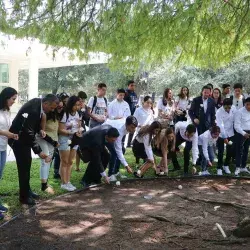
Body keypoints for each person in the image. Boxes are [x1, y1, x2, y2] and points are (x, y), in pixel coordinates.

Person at [9, 94, 59, 205]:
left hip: (24, 139)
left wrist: (40, 130)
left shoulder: (38, 104)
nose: (52, 110)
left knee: (27, 165)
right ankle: (24, 197)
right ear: (46, 103)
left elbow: (32, 127)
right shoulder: (34, 109)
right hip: (18, 139)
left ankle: (27, 191)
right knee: (24, 168)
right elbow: (28, 132)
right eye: (51, 108)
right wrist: (39, 151)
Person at [0, 87, 18, 219]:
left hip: (3, 147)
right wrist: (9, 134)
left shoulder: (7, 111)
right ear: (6, 97)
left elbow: (8, 127)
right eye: (13, 99)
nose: (14, 102)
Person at [58, 96, 82, 192]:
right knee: (64, 161)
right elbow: (60, 129)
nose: (77, 107)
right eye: (75, 105)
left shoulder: (78, 114)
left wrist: (79, 131)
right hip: (64, 139)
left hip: (75, 139)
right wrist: (71, 132)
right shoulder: (64, 114)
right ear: (71, 104)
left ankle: (68, 181)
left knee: (70, 161)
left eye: (78, 105)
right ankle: (64, 183)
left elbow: (79, 126)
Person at [106, 116, 137, 181]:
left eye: (134, 128)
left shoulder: (126, 126)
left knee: (122, 149)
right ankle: (110, 175)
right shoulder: (119, 130)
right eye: (132, 127)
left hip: (113, 133)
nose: (133, 130)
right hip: (106, 134)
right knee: (114, 153)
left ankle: (116, 172)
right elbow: (118, 150)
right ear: (126, 124)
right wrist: (127, 166)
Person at [36, 109, 60, 194]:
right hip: (43, 139)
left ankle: (45, 183)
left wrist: (55, 141)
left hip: (52, 140)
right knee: (45, 160)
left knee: (48, 161)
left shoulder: (57, 115)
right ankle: (43, 186)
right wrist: (54, 142)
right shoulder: (43, 114)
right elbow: (41, 132)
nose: (59, 108)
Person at [216, 98, 237, 176]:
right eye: (226, 108)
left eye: (229, 107)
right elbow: (220, 125)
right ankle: (219, 167)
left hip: (231, 132)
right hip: (221, 134)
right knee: (221, 151)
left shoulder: (234, 108)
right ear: (223, 106)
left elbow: (236, 119)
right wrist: (224, 137)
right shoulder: (219, 112)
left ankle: (226, 165)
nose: (228, 109)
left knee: (230, 150)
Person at [234, 97, 250, 175]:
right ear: (244, 104)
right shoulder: (239, 112)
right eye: (247, 105)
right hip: (241, 132)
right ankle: (237, 167)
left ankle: (243, 167)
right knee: (239, 150)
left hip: (249, 132)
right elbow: (236, 126)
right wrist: (244, 133)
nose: (249, 106)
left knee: (246, 150)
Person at [75, 91, 89, 171]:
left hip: (82, 128)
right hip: (73, 127)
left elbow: (87, 119)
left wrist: (84, 109)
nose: (82, 101)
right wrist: (80, 109)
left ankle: (77, 166)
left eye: (83, 100)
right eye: (81, 99)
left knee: (79, 147)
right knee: (73, 147)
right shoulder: (74, 105)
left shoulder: (84, 106)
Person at [124, 80, 138, 147]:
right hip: (126, 114)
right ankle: (122, 142)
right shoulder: (126, 93)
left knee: (133, 128)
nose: (133, 87)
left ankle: (129, 143)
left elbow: (135, 103)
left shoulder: (135, 94)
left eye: (134, 85)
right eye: (131, 85)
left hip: (134, 114)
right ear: (128, 86)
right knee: (125, 128)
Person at [53, 99, 64, 179]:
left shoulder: (63, 114)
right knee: (53, 155)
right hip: (52, 137)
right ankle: (56, 172)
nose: (60, 109)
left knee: (58, 154)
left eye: (62, 107)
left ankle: (57, 172)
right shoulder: (51, 114)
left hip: (59, 137)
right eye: (59, 107)